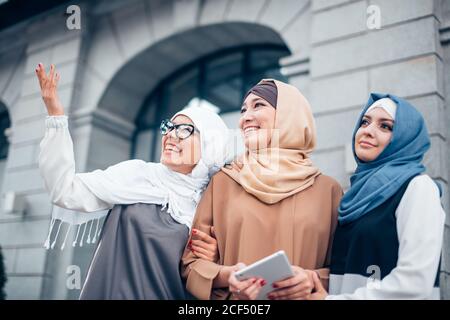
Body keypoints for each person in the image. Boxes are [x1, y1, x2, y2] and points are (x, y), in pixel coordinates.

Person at [35, 63, 230, 299]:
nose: (170, 135)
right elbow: (65, 191)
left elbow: (213, 277)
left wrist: (213, 258)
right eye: (169, 127)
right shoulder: (137, 175)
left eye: (184, 130)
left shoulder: (211, 204)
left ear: (209, 145)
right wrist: (55, 116)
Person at [181, 79, 343, 300]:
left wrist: (311, 280)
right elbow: (191, 265)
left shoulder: (328, 190)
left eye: (258, 105)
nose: (245, 117)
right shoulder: (223, 183)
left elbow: (346, 269)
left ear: (289, 115)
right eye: (243, 109)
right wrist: (227, 275)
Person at [307, 94, 445, 300]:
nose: (368, 131)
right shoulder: (354, 198)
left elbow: (415, 284)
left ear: (404, 139)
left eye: (385, 126)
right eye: (365, 122)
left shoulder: (417, 187)